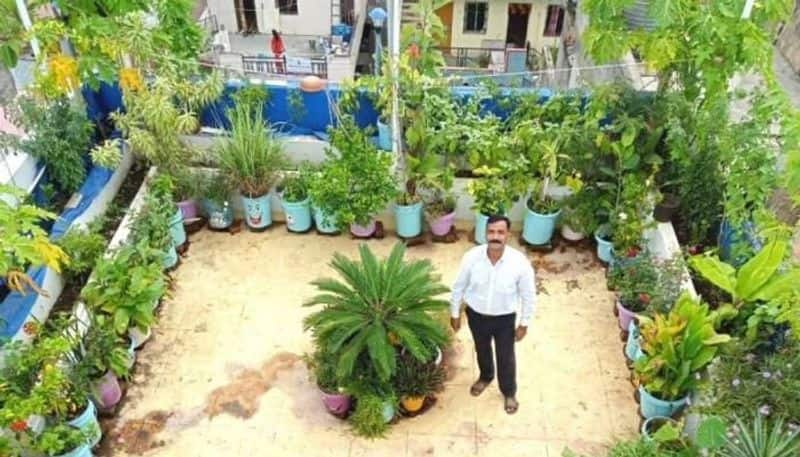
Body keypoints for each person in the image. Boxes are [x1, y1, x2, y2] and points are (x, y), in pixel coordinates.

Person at [449, 215, 536, 415]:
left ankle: (509, 392)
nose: (495, 236)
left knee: (506, 356)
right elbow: (459, 286)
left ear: (508, 235)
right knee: (482, 349)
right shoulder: (471, 257)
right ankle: (486, 376)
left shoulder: (519, 263)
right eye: (491, 231)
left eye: (500, 232)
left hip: (504, 319)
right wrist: (455, 313)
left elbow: (528, 295)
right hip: (476, 315)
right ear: (485, 233)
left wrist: (524, 323)